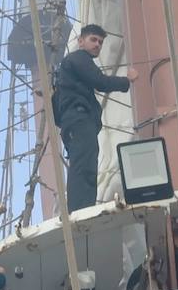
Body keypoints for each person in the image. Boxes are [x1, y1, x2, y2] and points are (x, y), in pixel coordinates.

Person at [51, 23, 138, 212]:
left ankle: (83, 207)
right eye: (93, 40)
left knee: (86, 164)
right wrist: (127, 80)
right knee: (84, 166)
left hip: (75, 122)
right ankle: (81, 209)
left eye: (100, 42)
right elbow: (100, 82)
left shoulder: (69, 68)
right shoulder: (78, 58)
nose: (98, 44)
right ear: (80, 41)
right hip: (80, 120)